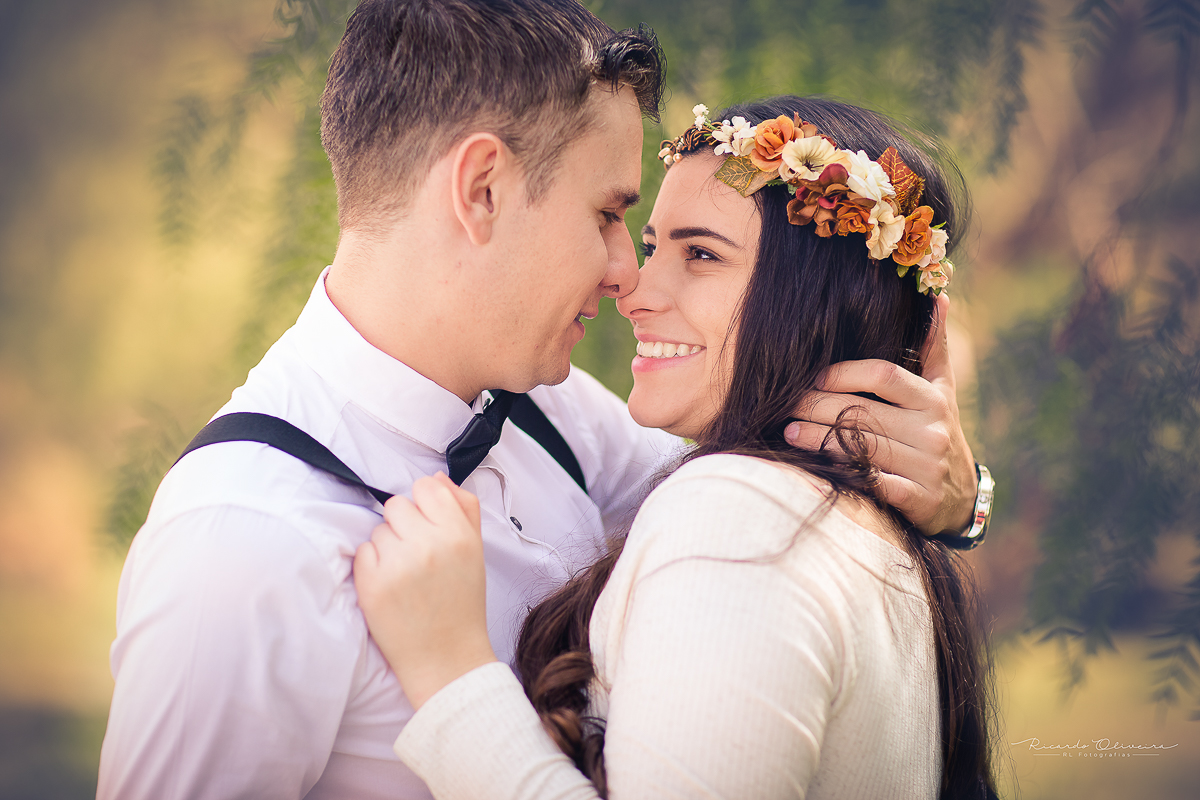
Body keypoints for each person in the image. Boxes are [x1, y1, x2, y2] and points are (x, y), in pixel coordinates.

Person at [97, 2, 986, 798]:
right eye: (609, 216)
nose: (626, 274)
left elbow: (780, 521)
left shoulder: (557, 415)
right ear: (481, 190)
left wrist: (948, 493)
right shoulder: (244, 543)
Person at [354, 96, 997, 799]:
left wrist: (452, 676)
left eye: (701, 254)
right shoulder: (862, 524)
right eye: (654, 245)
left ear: (820, 300)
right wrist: (967, 505)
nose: (633, 287)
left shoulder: (741, 516)